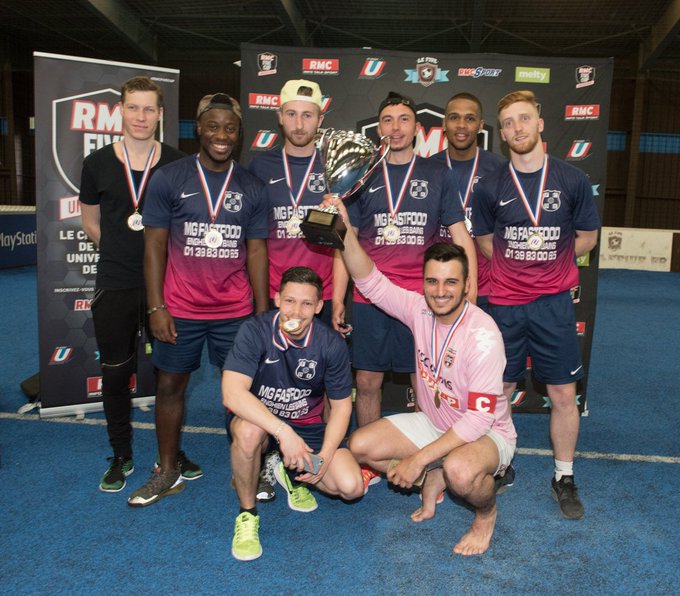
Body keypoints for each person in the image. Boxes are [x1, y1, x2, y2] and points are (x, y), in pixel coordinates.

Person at [322, 195, 516, 556]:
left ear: (466, 284)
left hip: (487, 433)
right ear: (423, 283)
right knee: (360, 445)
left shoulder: (483, 335)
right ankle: (434, 475)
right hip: (435, 423)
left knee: (461, 471)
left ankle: (485, 515)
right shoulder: (419, 310)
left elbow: (478, 420)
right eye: (432, 282)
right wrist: (345, 231)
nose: (440, 292)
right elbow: (369, 280)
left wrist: (419, 458)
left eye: (450, 282)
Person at [127, 93, 269, 507]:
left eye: (230, 128)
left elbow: (257, 251)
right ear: (199, 129)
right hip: (180, 308)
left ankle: (249, 470)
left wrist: (262, 313)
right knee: (170, 387)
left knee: (242, 392)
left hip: (235, 311)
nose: (221, 135)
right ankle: (167, 472)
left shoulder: (252, 186)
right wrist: (156, 307)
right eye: (213, 127)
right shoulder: (169, 178)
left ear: (238, 133)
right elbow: (154, 246)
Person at [332, 91, 477, 489]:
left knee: (424, 384)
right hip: (370, 297)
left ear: (417, 128)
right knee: (367, 382)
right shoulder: (363, 176)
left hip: (420, 300)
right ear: (378, 128)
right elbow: (346, 239)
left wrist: (471, 291)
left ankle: (425, 460)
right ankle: (369, 461)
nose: (395, 128)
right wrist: (338, 297)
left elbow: (460, 234)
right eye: (387, 120)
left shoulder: (438, 174)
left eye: (403, 120)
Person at [472, 90, 600, 520]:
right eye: (508, 122)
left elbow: (587, 237)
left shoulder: (572, 180)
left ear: (540, 124)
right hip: (504, 304)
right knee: (500, 391)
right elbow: (485, 241)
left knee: (563, 393)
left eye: (524, 118)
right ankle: (499, 463)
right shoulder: (490, 186)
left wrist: (552, 262)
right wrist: (517, 267)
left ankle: (564, 476)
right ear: (502, 133)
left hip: (553, 306)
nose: (517, 128)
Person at [79, 76, 192, 493]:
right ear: (120, 111)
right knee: (115, 373)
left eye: (149, 109)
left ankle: (171, 453)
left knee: (171, 374)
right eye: (133, 107)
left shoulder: (179, 164)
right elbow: (90, 222)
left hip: (168, 284)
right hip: (116, 281)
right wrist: (123, 254)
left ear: (160, 114)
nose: (140, 117)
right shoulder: (97, 163)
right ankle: (121, 453)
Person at [223, 266, 363, 561]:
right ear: (277, 299)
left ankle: (286, 471)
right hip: (261, 423)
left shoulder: (331, 344)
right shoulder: (255, 331)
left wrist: (324, 457)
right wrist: (282, 432)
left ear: (319, 306)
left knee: (351, 487)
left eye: (306, 303)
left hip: (306, 426)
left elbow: (341, 406)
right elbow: (232, 393)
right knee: (248, 432)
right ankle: (247, 514)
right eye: (289, 301)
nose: (296, 312)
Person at [248, 79, 335, 501]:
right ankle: (266, 458)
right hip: (275, 294)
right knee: (267, 381)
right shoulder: (258, 167)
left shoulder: (335, 166)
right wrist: (260, 299)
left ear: (320, 118)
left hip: (324, 294)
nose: (300, 123)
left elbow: (345, 236)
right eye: (292, 114)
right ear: (279, 116)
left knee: (325, 379)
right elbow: (252, 238)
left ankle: (321, 454)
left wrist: (340, 297)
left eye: (308, 114)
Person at [431, 92, 505, 311]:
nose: (461, 125)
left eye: (470, 118)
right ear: (444, 124)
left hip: (491, 286)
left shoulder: (501, 170)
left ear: (480, 125)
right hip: (441, 285)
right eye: (454, 117)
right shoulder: (428, 169)